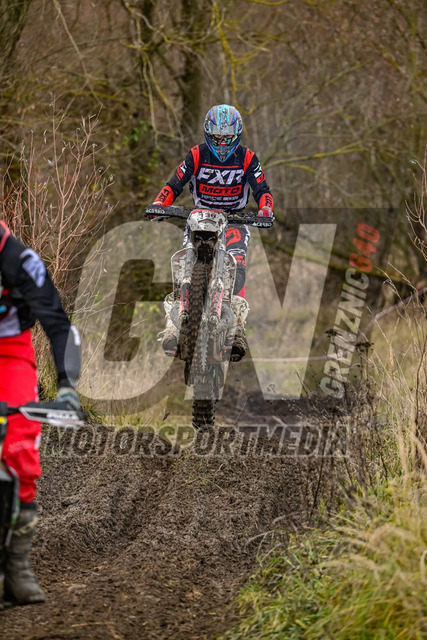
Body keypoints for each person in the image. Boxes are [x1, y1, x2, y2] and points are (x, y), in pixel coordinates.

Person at [149, 104, 274, 361]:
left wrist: (265, 209)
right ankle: (173, 326)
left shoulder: (248, 158)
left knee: (237, 266)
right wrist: (160, 203)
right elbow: (175, 184)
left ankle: (236, 328)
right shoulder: (196, 155)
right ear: (208, 134)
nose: (222, 143)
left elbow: (262, 190)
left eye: (227, 138)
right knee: (183, 264)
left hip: (234, 219)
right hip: (200, 218)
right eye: (217, 137)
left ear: (237, 135)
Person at [0, 220, 81, 606]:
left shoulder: (18, 259)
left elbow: (58, 325)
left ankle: (17, 564)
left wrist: (66, 387)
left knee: (20, 449)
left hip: (9, 352)